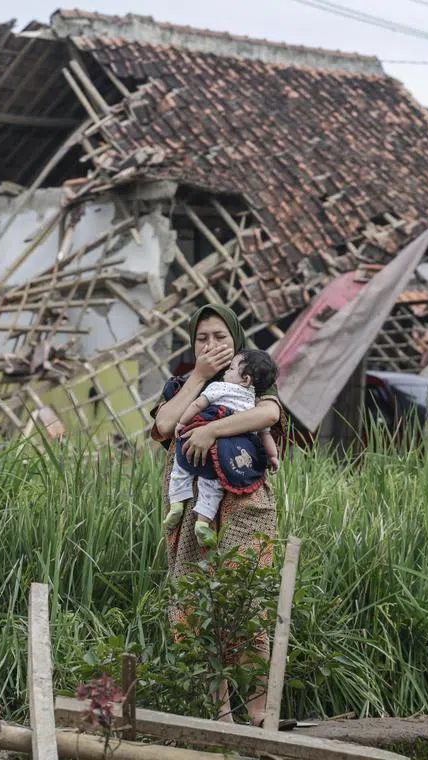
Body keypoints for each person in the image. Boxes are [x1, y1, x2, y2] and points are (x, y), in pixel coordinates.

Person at [150, 304, 290, 729]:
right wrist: (197, 379)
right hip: (194, 505)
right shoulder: (181, 385)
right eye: (202, 338)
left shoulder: (250, 377)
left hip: (246, 500)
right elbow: (163, 425)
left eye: (220, 337)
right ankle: (220, 717)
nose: (211, 346)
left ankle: (260, 713)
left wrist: (212, 429)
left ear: (236, 340)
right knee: (193, 605)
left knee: (246, 598)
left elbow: (271, 414)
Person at [164, 349, 281, 549]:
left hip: (196, 439)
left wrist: (181, 424)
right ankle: (203, 520)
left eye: (231, 368)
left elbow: (197, 405)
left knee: (180, 467)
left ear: (245, 379)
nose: (227, 371)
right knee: (213, 483)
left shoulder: (219, 387)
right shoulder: (254, 402)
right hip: (228, 454)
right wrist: (272, 456)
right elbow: (265, 433)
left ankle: (176, 502)